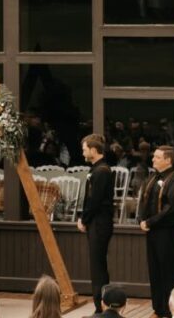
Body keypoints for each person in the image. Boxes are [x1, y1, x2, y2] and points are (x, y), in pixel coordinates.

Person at [138, 145, 174, 318]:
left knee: (167, 270)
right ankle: (158, 308)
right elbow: (144, 200)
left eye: (157, 157)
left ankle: (170, 309)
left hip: (166, 231)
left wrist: (150, 221)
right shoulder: (152, 177)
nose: (153, 159)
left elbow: (171, 208)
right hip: (151, 231)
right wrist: (141, 220)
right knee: (154, 269)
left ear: (168, 160)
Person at [77, 134, 114, 316]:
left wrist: (84, 219)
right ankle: (100, 305)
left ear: (93, 150)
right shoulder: (96, 170)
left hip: (100, 223)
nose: (83, 152)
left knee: (98, 266)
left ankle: (101, 307)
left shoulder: (102, 171)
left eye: (85, 148)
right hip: (95, 222)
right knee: (97, 265)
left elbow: (95, 200)